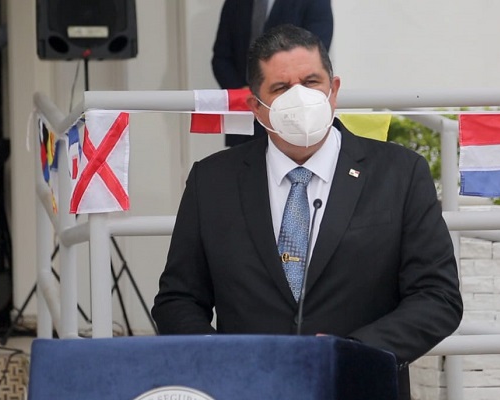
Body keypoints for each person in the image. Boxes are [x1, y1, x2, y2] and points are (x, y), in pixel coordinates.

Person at [153, 24, 462, 399]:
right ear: (257, 108)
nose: (299, 97)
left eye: (311, 81)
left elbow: (437, 297)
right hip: (247, 389)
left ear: (333, 90)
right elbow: (177, 300)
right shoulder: (212, 181)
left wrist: (352, 352)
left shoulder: (399, 172)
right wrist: (223, 360)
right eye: (281, 88)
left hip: (359, 385)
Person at [212, 0, 333, 147]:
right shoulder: (235, 3)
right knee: (242, 166)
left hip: (295, 115)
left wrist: (284, 91)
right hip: (246, 115)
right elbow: (221, 58)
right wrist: (243, 93)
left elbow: (316, 54)